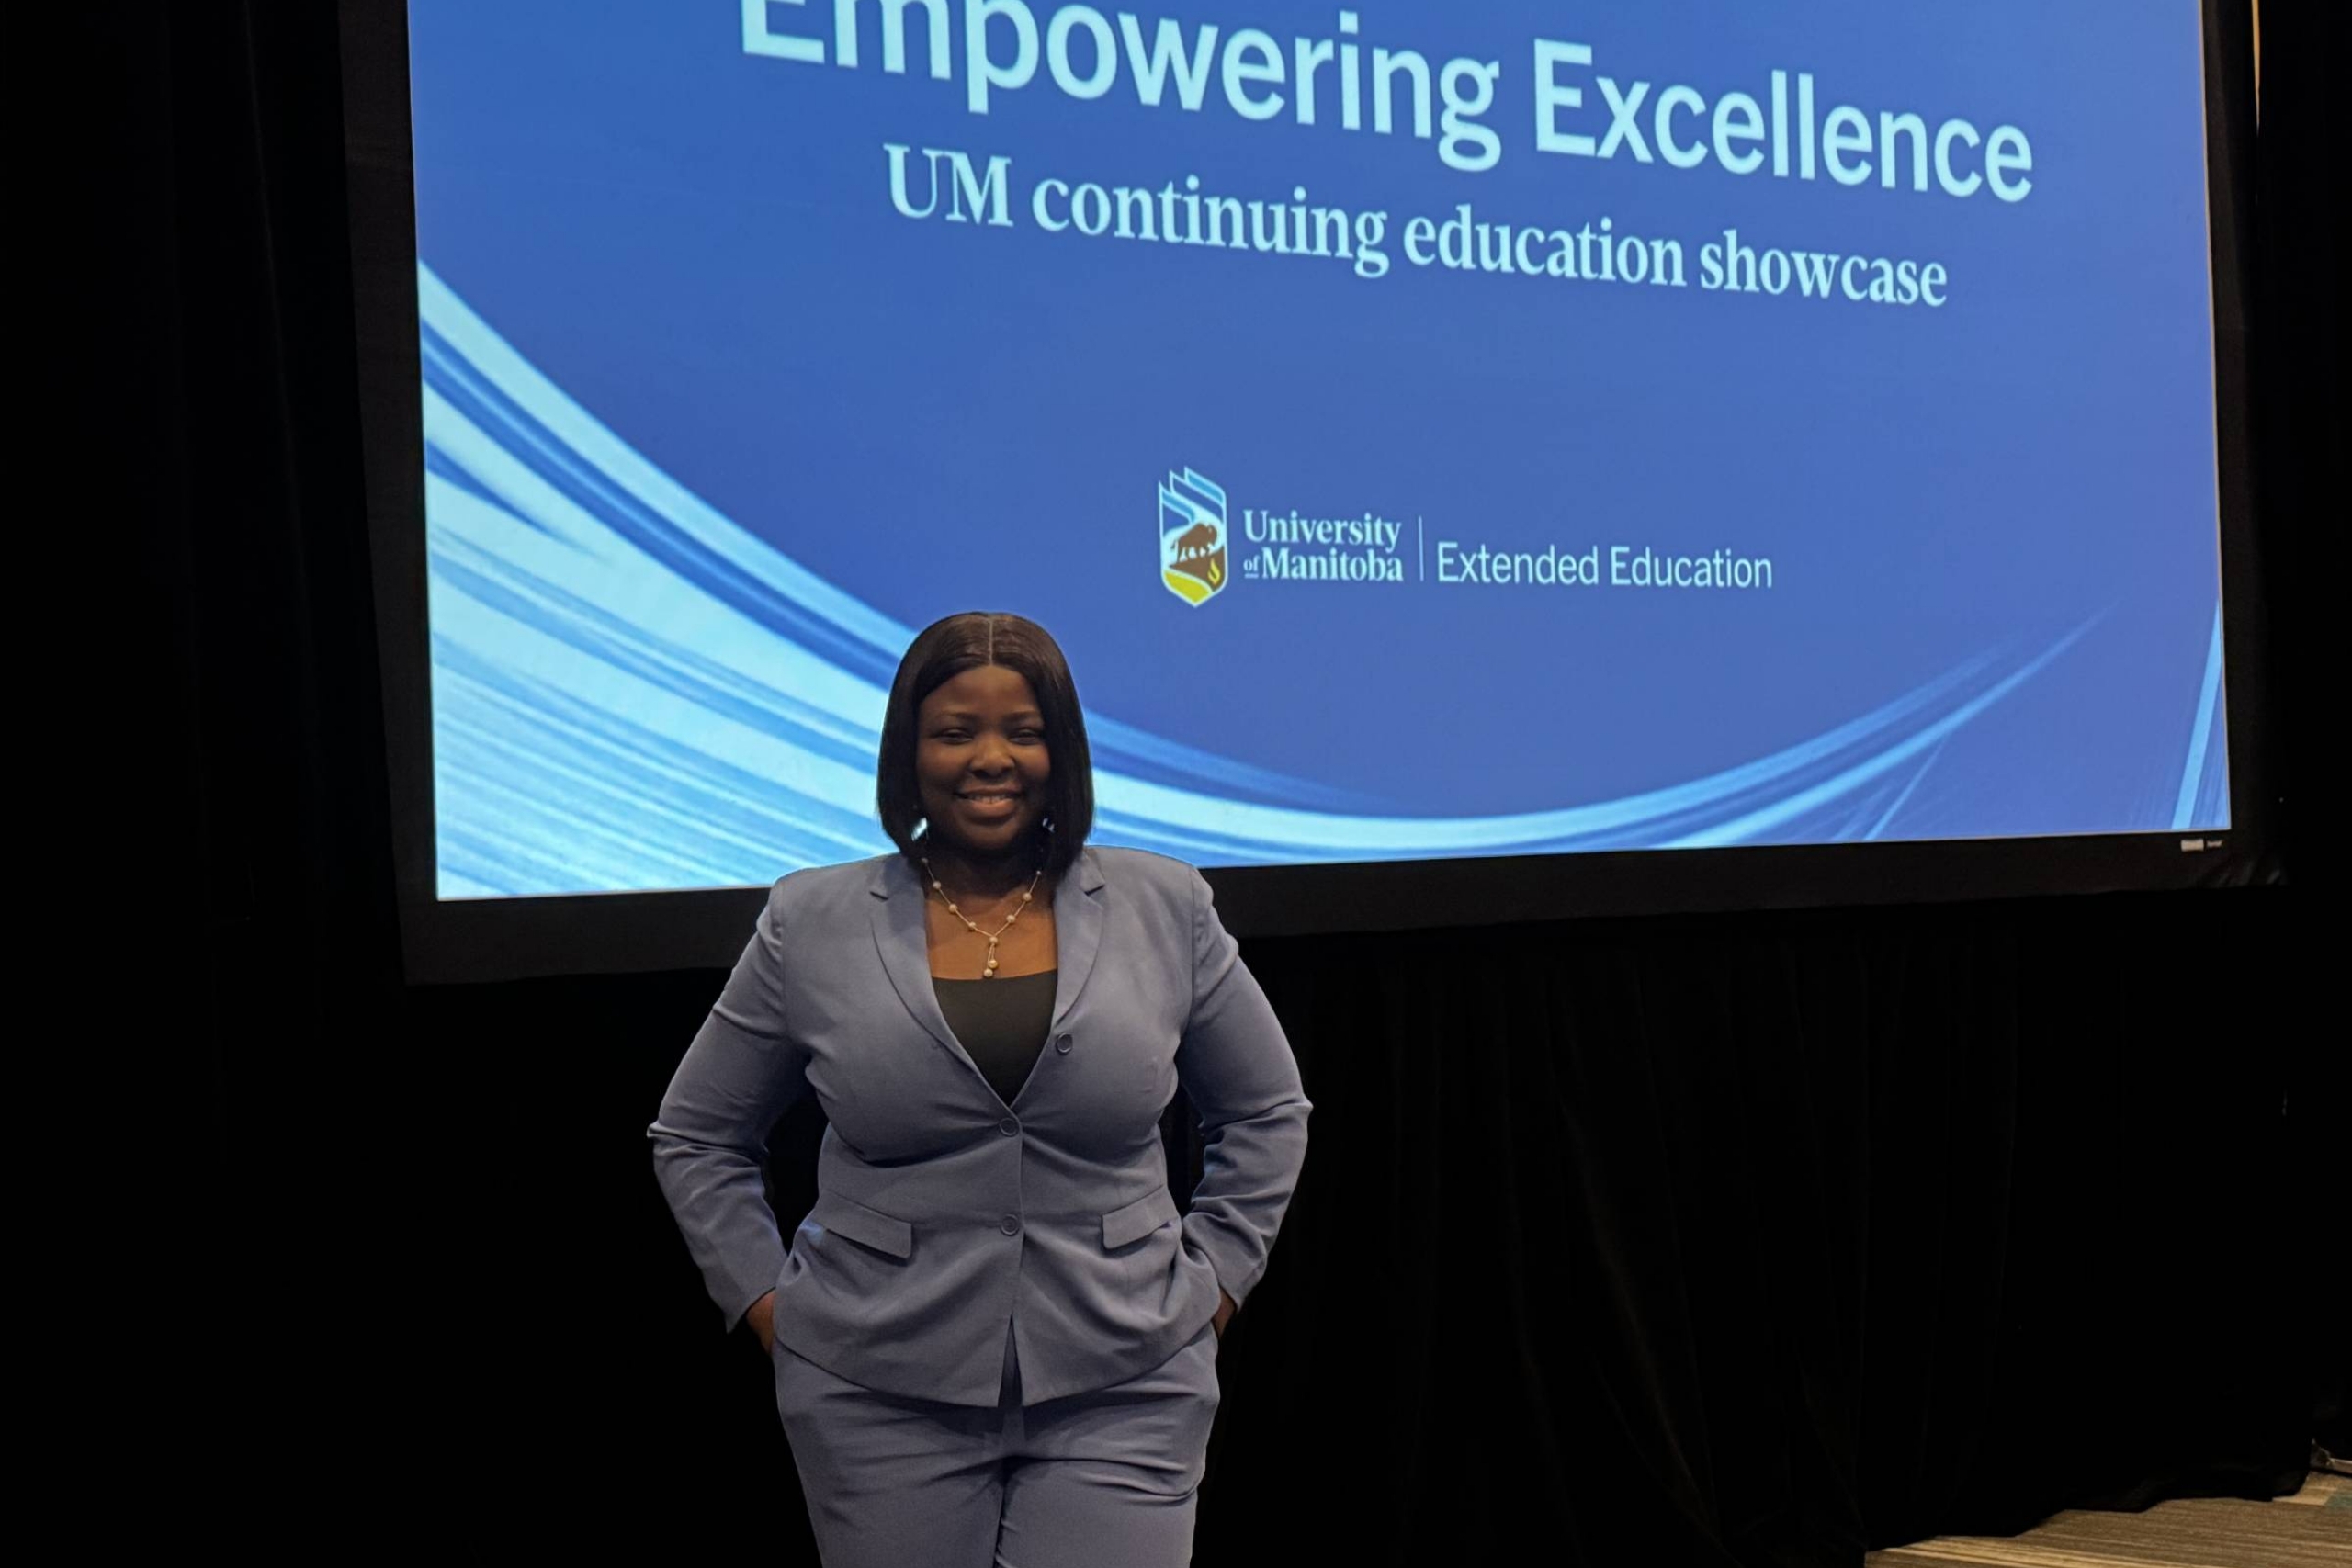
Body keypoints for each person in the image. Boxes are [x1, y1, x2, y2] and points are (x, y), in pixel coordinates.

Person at [650, 611, 1312, 1567]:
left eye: (1024, 731)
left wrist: (1212, 1288)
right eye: (956, 731)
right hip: (875, 1390)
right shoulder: (811, 919)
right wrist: (767, 1304)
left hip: (1126, 1376)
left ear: (1063, 752)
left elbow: (1265, 1112)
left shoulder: (1165, 905)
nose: (990, 758)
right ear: (908, 753)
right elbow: (697, 1136)